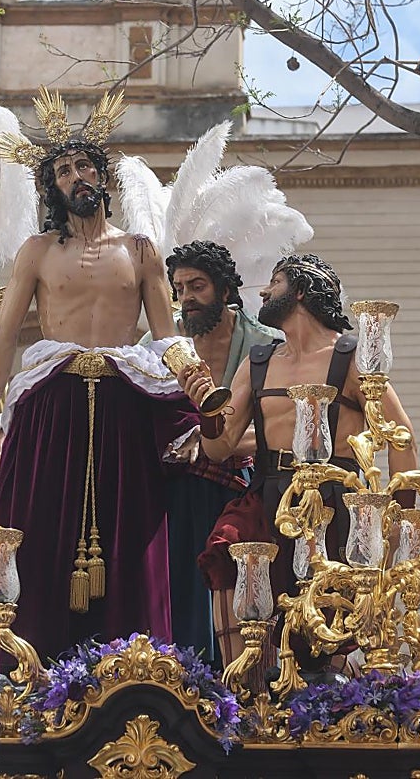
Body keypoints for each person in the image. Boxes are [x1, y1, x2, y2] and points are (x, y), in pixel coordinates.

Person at [0, 90, 198, 664]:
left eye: (85, 165)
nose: (77, 176)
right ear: (52, 187)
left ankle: (133, 669)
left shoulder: (141, 251)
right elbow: (2, 338)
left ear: (103, 175)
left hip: (124, 404)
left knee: (132, 535)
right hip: (51, 406)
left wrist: (197, 392)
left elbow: (167, 337)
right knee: (39, 533)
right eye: (64, 170)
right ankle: (33, 667)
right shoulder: (38, 252)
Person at [179, 253, 418, 675]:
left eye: (275, 282)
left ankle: (328, 697)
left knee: (325, 620)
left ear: (302, 292)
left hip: (334, 497)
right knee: (227, 546)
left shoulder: (350, 359)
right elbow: (220, 449)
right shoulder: (259, 361)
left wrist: (395, 517)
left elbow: (401, 437)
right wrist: (207, 409)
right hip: (268, 492)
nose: (265, 291)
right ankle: (243, 685)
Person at [140, 241, 280, 665]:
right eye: (179, 288)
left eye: (197, 286)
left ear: (224, 289)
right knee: (181, 590)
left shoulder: (266, 344)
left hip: (244, 488)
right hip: (177, 491)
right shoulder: (160, 343)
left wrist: (219, 442)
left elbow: (279, 424)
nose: (186, 298)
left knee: (243, 595)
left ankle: (242, 681)